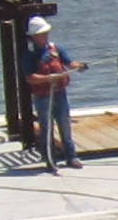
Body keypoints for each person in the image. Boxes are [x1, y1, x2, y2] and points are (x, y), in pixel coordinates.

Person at [23, 16, 83, 170]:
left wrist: (79, 66)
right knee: (46, 127)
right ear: (34, 37)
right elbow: (30, 78)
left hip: (60, 94)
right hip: (43, 97)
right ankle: (50, 159)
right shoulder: (29, 55)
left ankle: (72, 157)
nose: (45, 36)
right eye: (42, 34)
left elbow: (69, 63)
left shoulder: (57, 49)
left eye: (46, 33)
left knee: (65, 124)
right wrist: (48, 78)